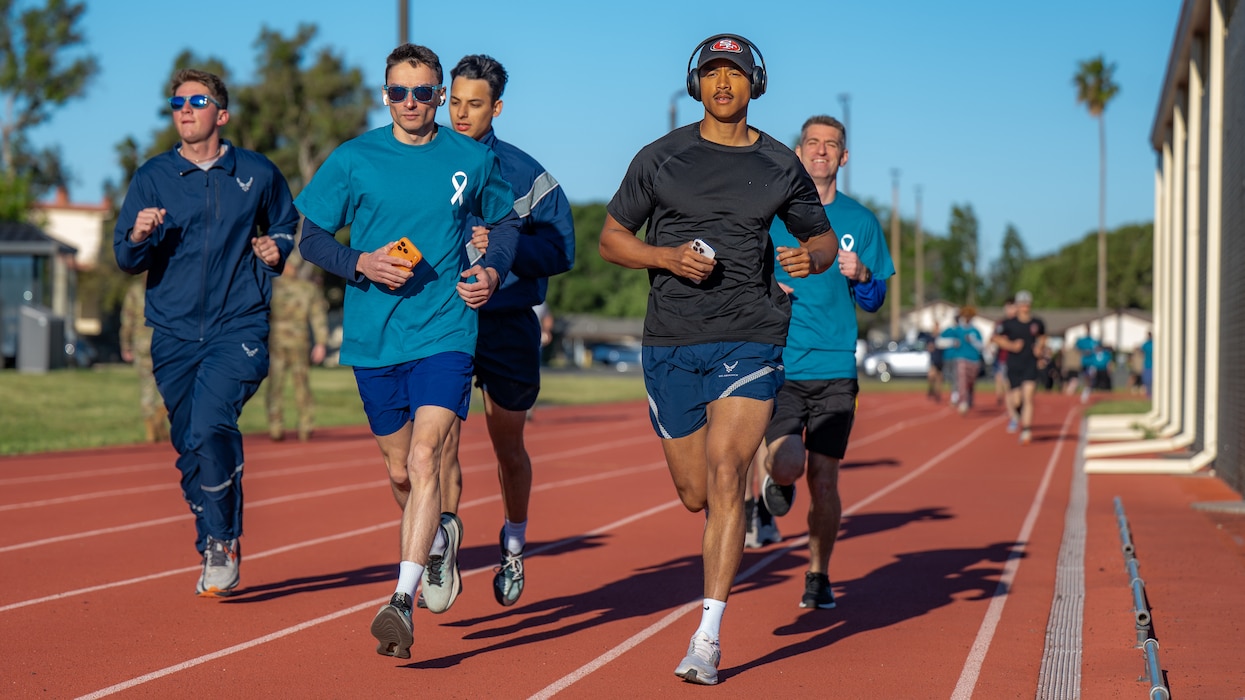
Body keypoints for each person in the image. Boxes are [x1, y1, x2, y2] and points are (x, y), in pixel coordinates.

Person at [598, 34, 839, 685]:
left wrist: (807, 257)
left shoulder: (777, 161)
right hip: (671, 342)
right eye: (711, 73)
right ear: (695, 83)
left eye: (734, 73)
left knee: (727, 472)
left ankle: (706, 638)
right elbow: (611, 238)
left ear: (753, 83)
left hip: (749, 337)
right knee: (695, 492)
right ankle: (750, 491)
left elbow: (818, 239)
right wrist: (665, 257)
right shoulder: (661, 157)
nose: (722, 84)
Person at [295, 43, 521, 660]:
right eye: (400, 92)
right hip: (374, 337)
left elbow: (505, 223)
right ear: (385, 94)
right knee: (400, 472)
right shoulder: (355, 158)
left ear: (440, 96)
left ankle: (401, 598)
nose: (412, 103)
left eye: (424, 92)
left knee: (425, 460)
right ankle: (441, 534)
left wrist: (494, 271)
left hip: (446, 330)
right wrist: (359, 262)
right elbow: (309, 234)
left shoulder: (471, 158)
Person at [113, 69, 298, 597]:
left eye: (197, 100)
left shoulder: (257, 173)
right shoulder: (153, 176)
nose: (185, 109)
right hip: (171, 332)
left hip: (237, 325)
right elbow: (125, 257)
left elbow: (286, 223)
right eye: (177, 102)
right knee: (188, 444)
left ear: (223, 113)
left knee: (211, 425)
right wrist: (138, 234)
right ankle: (214, 536)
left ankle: (221, 542)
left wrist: (276, 248)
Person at [435, 53, 576, 608]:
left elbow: (561, 247)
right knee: (439, 439)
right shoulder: (425, 159)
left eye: (475, 104)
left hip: (508, 324)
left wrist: (499, 253)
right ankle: (442, 540)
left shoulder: (525, 172)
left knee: (507, 445)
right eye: (455, 101)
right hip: (443, 323)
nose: (462, 113)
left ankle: (513, 542)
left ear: (497, 107)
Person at [750, 114, 894, 612]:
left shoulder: (860, 221)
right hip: (783, 362)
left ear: (844, 157)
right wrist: (770, 286)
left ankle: (818, 572)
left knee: (826, 480)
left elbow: (876, 300)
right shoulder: (773, 217)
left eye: (831, 145)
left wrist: (864, 275)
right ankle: (775, 480)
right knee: (789, 462)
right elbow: (741, 276)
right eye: (812, 143)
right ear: (798, 151)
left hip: (836, 367)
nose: (820, 151)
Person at [266, 257, 330, 441]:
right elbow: (318, 318)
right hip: (295, 342)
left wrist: (320, 343)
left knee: (277, 387)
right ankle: (304, 426)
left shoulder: (271, 286)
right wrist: (321, 343)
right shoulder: (307, 288)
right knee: (299, 385)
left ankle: (277, 427)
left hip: (278, 341)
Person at [119, 272, 168, 443]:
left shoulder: (135, 292)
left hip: (141, 344)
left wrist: (125, 346)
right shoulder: (166, 287)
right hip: (162, 342)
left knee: (146, 386)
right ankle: (159, 419)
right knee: (166, 385)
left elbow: (127, 321)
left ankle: (150, 428)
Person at [992, 290, 1046, 444]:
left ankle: (1027, 430)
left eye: (1027, 303)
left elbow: (1042, 337)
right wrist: (1011, 345)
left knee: (1028, 396)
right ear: (1017, 305)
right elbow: (995, 338)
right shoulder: (1009, 324)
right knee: (1016, 400)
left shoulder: (1036, 323)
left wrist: (1039, 348)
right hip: (1014, 365)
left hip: (1030, 363)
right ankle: (1017, 414)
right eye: (1021, 304)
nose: (1024, 307)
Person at [949, 306, 984, 415]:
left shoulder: (975, 331)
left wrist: (973, 341)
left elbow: (981, 346)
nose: (967, 318)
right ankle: (963, 401)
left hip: (974, 360)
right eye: (965, 316)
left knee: (970, 382)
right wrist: (953, 342)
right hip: (961, 358)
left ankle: (969, 397)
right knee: (962, 380)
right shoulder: (958, 330)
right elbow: (943, 340)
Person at [992, 298, 1016, 408]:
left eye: (1012, 307)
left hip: (1020, 359)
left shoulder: (1021, 323)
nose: (1010, 310)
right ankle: (1009, 408)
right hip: (1004, 358)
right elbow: (993, 338)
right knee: (1005, 382)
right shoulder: (1001, 324)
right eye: (1008, 307)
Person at [1140, 332, 1154, 397]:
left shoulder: (1149, 344)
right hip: (1148, 364)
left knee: (1150, 381)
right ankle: (1149, 394)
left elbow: (1141, 352)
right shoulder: (1146, 344)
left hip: (1150, 365)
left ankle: (1149, 394)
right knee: (1147, 381)